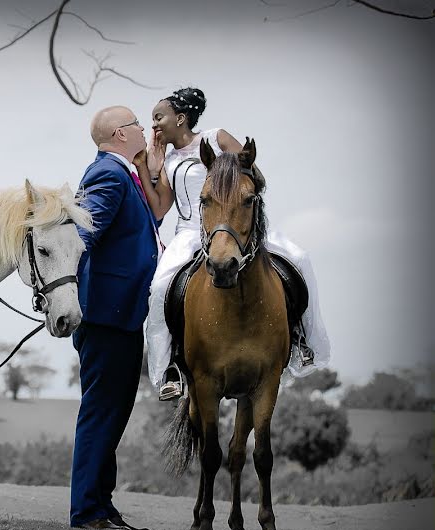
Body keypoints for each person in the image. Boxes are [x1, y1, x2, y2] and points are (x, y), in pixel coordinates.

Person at [136, 87, 330, 401]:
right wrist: (148, 168)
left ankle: (301, 340)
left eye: (159, 117)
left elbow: (258, 180)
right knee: (159, 289)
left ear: (181, 119)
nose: (154, 124)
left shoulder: (217, 138)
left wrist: (228, 173)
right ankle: (168, 368)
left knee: (300, 257)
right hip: (190, 232)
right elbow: (159, 208)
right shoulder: (168, 159)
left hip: (237, 223)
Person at [70, 105, 159, 530]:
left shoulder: (127, 173)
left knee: (113, 411)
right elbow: (84, 231)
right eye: (138, 123)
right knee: (101, 410)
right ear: (121, 134)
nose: (145, 128)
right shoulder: (107, 173)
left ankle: (102, 507)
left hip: (121, 312)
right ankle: (87, 510)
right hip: (107, 312)